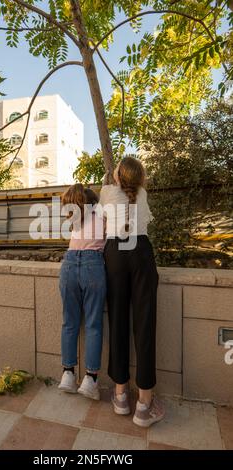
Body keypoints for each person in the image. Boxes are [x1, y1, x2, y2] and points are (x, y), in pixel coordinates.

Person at [99, 156, 165, 427]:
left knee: (117, 320)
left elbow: (104, 215)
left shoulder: (106, 191)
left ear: (118, 176)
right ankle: (144, 404)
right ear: (140, 178)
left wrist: (111, 179)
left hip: (115, 253)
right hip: (140, 252)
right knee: (144, 324)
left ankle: (121, 396)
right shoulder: (143, 194)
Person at [58, 183, 106, 400]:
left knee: (70, 322)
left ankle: (67, 375)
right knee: (93, 324)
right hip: (93, 265)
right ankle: (90, 379)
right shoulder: (102, 212)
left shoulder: (76, 219)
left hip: (68, 264)